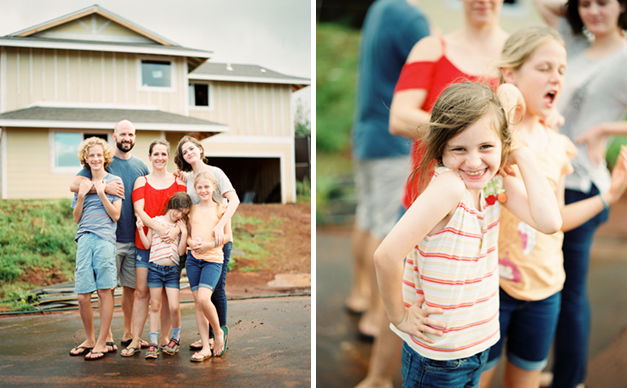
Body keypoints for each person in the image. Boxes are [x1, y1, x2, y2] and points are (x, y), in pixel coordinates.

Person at [374, 81, 562, 388]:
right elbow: (385, 255)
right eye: (459, 149)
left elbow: (549, 221)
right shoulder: (449, 188)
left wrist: (522, 156)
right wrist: (400, 316)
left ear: (502, 145)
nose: (474, 162)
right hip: (439, 358)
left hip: (477, 346)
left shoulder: (492, 184)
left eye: (485, 147)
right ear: (441, 149)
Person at [364, 1, 508, 386]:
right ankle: (377, 378)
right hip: (429, 197)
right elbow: (399, 116)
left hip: (484, 204)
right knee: (405, 292)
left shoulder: (514, 52)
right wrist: (467, 131)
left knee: (465, 304)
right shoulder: (431, 47)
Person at [478, 26, 627, 388]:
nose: (556, 78)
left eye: (561, 70)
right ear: (510, 73)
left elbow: (556, 220)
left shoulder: (558, 145)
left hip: (545, 290)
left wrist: (608, 195)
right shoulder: (490, 137)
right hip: (488, 289)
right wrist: (509, 102)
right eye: (544, 68)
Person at [533, 1, 627, 386]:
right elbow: (544, 8)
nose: (593, 12)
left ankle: (570, 380)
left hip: (582, 186)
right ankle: (541, 368)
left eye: (602, 2)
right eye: (585, 3)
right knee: (540, 281)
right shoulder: (573, 42)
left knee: (567, 290)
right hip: (546, 176)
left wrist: (607, 127)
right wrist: (569, 6)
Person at [346, 0, 430, 340]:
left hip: (366, 132)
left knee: (367, 217)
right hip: (393, 137)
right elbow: (435, 62)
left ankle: (359, 293)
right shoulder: (411, 17)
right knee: (388, 226)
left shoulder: (380, 7)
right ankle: (373, 317)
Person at [70, 120, 149, 347]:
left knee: (130, 288)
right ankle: (106, 337)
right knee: (108, 287)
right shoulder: (103, 160)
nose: (127, 137)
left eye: (131, 134)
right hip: (109, 236)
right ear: (115, 136)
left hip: (133, 236)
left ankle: (127, 331)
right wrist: (101, 188)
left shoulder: (141, 166)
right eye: (123, 133)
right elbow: (75, 184)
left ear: (134, 137)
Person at [121, 139, 187, 357]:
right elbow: (139, 210)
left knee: (168, 296)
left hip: (169, 246)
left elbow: (184, 212)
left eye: (163, 154)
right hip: (146, 244)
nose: (160, 158)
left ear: (168, 157)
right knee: (142, 292)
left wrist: (176, 232)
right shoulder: (142, 181)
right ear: (149, 156)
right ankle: (135, 340)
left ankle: (165, 339)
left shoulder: (178, 182)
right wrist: (159, 228)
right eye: (155, 154)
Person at [174, 135, 239, 354]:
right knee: (200, 293)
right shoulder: (188, 178)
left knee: (217, 287)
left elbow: (234, 200)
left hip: (218, 239)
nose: (189, 153)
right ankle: (206, 338)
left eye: (192, 148)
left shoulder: (217, 173)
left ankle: (219, 333)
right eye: (185, 151)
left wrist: (221, 226)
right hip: (197, 243)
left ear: (200, 149)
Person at [68, 137, 122, 361]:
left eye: (99, 155)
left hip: (105, 239)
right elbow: (76, 218)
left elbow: (116, 215)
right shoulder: (81, 182)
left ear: (105, 157)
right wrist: (81, 197)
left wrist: (101, 193)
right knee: (82, 295)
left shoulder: (115, 181)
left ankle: (102, 341)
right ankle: (89, 338)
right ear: (86, 159)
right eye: (92, 156)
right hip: (84, 238)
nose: (96, 158)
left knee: (105, 291)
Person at [136, 192, 191, 359]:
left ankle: (175, 338)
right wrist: (140, 229)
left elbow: (181, 252)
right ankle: (153, 344)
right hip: (155, 269)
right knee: (155, 306)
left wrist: (184, 233)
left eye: (184, 213)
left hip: (173, 270)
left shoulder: (179, 228)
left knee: (174, 306)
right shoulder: (156, 221)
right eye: (179, 210)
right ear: (172, 205)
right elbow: (147, 244)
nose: (180, 215)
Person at [186, 171, 231, 362]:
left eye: (206, 187)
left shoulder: (221, 208)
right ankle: (205, 347)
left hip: (212, 259)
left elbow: (228, 237)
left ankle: (218, 332)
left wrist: (209, 245)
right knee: (198, 303)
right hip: (193, 260)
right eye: (200, 187)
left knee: (205, 298)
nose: (203, 190)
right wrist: (191, 243)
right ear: (195, 189)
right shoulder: (192, 209)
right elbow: (187, 235)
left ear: (213, 188)